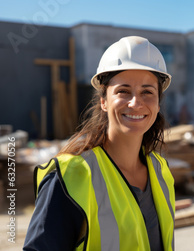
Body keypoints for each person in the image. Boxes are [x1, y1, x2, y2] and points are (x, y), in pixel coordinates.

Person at [24, 36, 175, 251]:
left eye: (147, 92)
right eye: (123, 91)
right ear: (104, 101)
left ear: (158, 103)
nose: (135, 103)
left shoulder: (161, 171)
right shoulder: (71, 176)